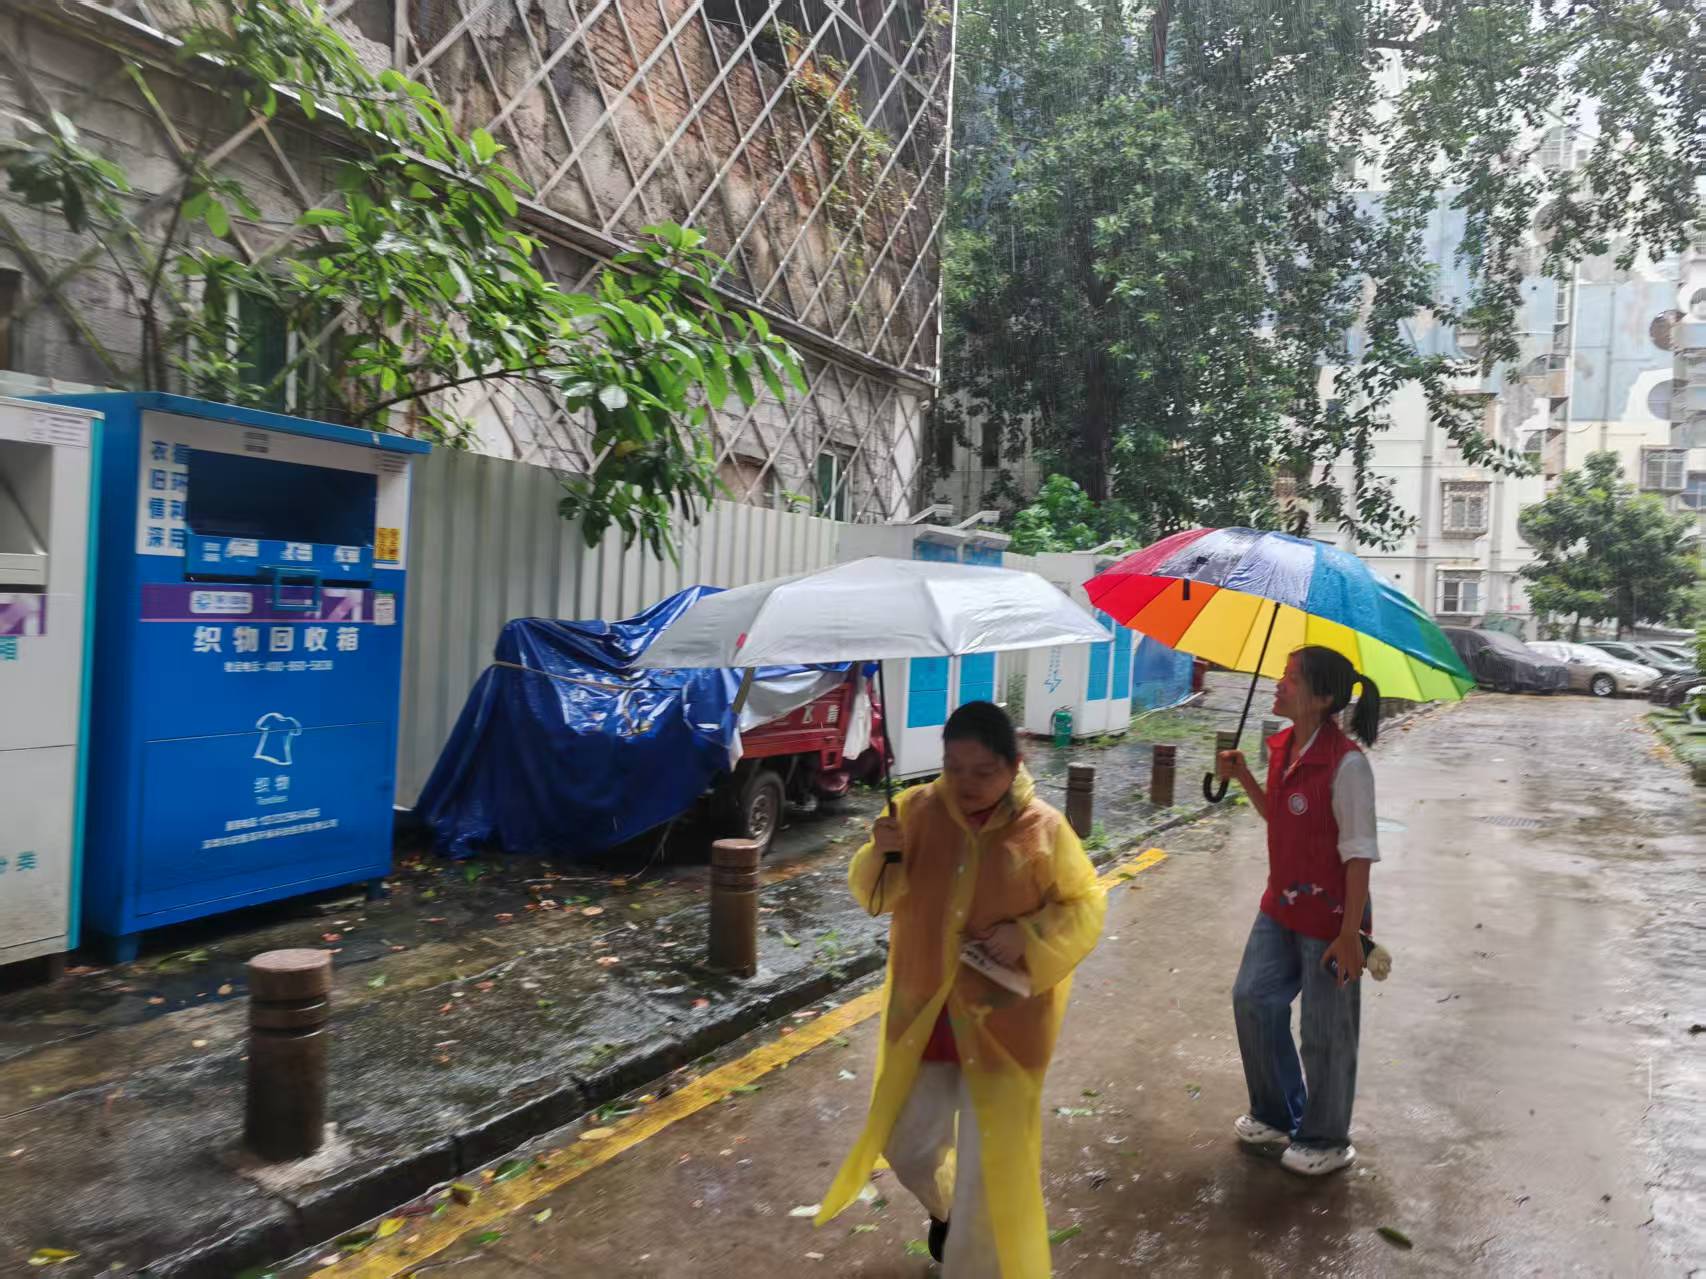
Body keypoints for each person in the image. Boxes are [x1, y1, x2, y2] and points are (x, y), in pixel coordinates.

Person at [814, 700, 1105, 1277]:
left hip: (1005, 1028)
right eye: (953, 768)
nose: (966, 784)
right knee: (906, 1144)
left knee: (989, 1173)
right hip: (925, 1014)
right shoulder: (915, 812)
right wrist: (883, 852)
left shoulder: (1044, 829)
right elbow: (876, 896)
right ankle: (946, 1211)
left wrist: (1028, 935)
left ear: (1014, 765)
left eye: (983, 771)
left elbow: (1085, 907)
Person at [1215, 645, 1381, 1176]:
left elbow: (1359, 855)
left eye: (1290, 678)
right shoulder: (1283, 747)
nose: (1279, 684)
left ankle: (1326, 1137)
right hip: (1282, 904)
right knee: (1253, 998)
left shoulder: (1347, 765)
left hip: (1334, 917)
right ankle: (1275, 1111)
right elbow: (1282, 817)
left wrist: (1351, 934)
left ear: (1322, 698)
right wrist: (1244, 777)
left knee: (1325, 1030)